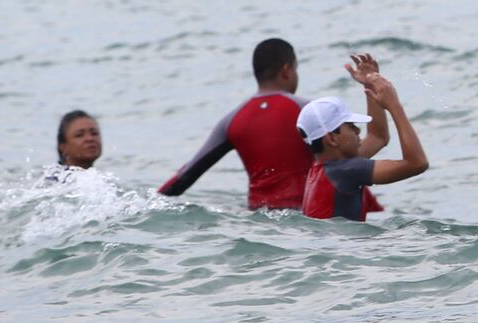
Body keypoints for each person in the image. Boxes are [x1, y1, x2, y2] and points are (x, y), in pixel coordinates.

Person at [157, 39, 388, 211]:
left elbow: (183, 178)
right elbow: (376, 139)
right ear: (287, 70)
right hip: (312, 220)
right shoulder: (310, 115)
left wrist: (149, 205)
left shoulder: (232, 120)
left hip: (260, 226)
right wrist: (371, 85)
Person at [297, 65, 428, 221]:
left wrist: (370, 86)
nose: (358, 131)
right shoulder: (345, 171)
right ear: (331, 138)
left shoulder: (326, 168)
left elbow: (378, 137)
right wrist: (394, 105)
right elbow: (417, 163)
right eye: (351, 126)